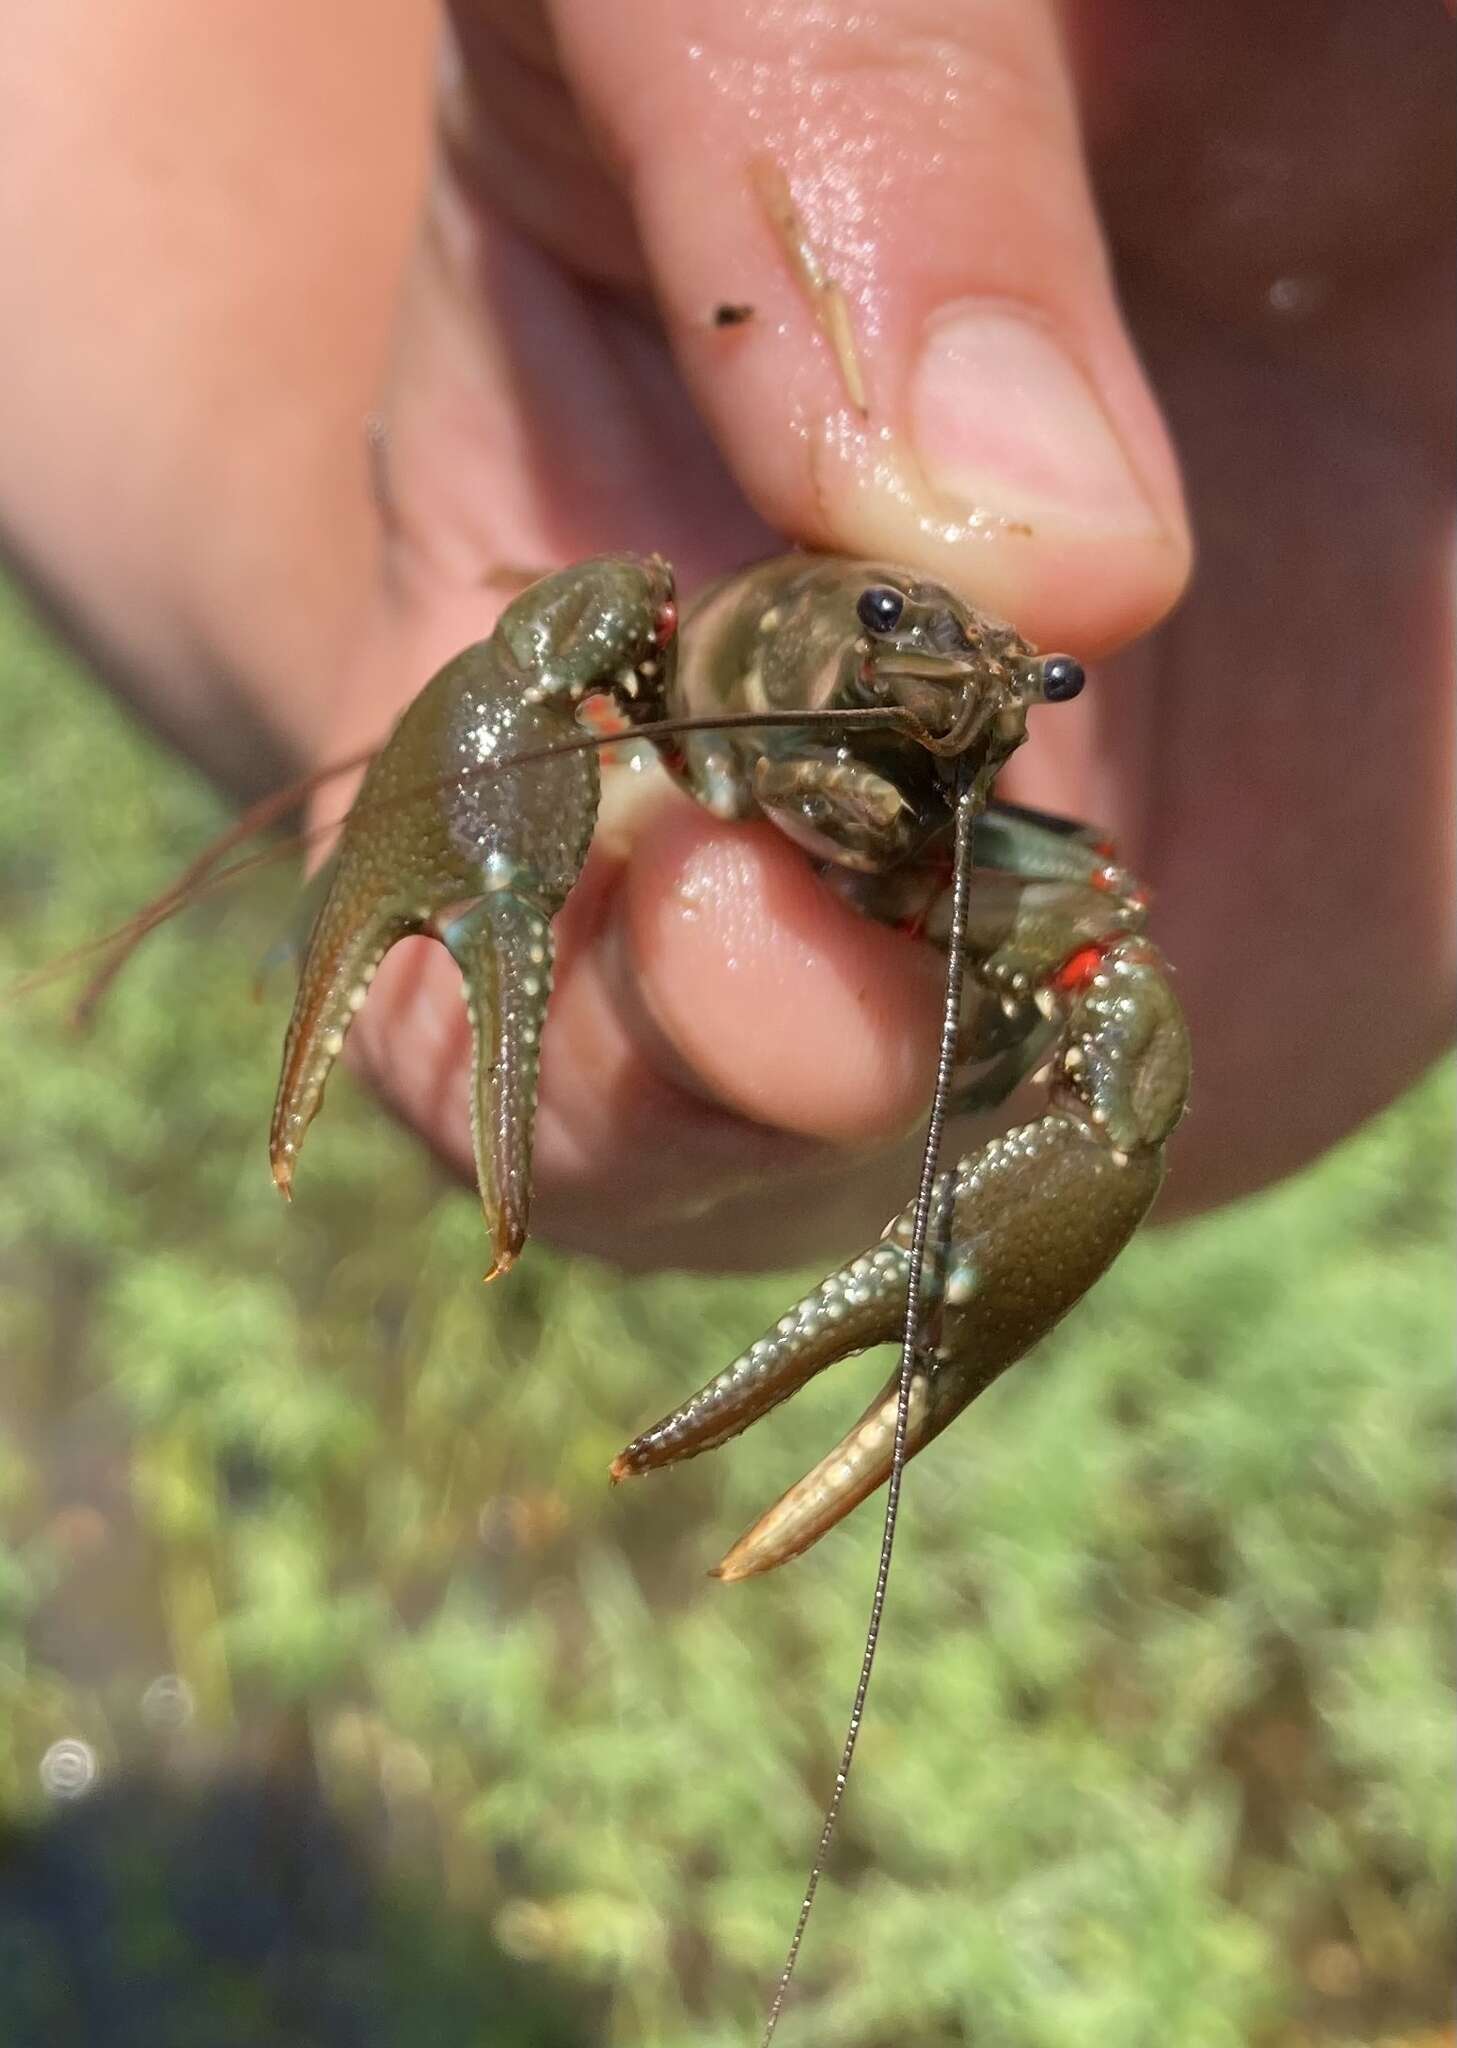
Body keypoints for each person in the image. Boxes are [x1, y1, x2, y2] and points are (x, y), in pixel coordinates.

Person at [0, 1, 1450, 1270]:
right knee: (574, 628)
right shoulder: (674, 647)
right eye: (883, 628)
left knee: (1103, 980)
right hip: (696, 697)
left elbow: (1097, 984)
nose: (917, 684)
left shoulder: (990, 823)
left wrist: (1021, 1037)